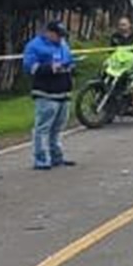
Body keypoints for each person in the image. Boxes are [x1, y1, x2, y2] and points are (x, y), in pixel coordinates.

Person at [23, 19, 78, 169]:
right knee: (43, 128)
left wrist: (72, 66)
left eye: (62, 35)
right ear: (48, 33)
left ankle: (57, 157)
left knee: (58, 128)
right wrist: (50, 68)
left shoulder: (63, 45)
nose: (60, 38)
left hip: (63, 91)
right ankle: (41, 159)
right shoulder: (35, 46)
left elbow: (70, 60)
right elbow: (30, 67)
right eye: (57, 35)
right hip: (46, 92)